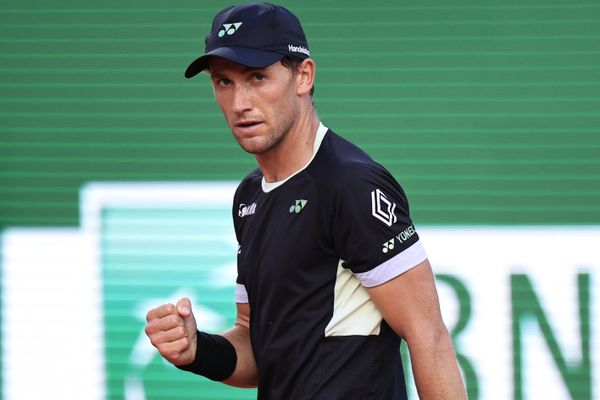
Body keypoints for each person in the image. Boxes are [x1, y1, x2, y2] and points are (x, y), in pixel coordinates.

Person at [145, 2, 467, 399]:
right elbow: (256, 345)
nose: (239, 102)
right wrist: (198, 350)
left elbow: (429, 336)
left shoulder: (351, 184)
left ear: (303, 76)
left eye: (257, 77)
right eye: (223, 82)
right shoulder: (250, 197)